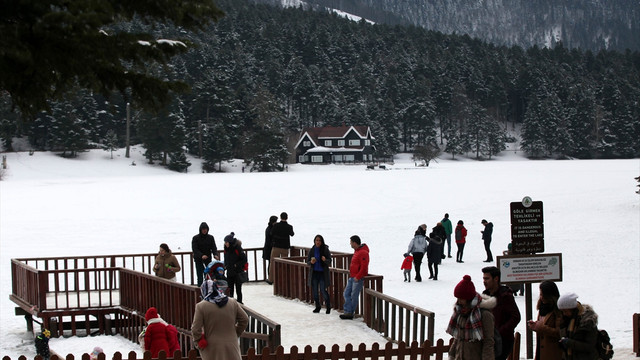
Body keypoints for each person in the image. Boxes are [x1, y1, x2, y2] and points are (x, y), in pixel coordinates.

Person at [192, 280, 249, 360]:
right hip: (232, 345)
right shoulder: (232, 302)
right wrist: (235, 333)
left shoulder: (201, 306)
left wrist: (199, 342)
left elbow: (195, 329)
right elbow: (244, 319)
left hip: (212, 347)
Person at [446, 275, 496, 360]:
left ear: (469, 299)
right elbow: (458, 337)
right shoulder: (460, 312)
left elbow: (488, 342)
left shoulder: (484, 315)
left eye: (461, 298)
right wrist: (452, 354)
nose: (459, 301)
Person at [482, 266, 521, 360]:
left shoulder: (505, 296)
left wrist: (500, 332)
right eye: (483, 278)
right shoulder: (485, 295)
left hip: (503, 341)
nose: (484, 281)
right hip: (488, 341)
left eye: (487, 278)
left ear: (496, 279)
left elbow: (516, 317)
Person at [557, 292, 599, 360]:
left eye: (565, 311)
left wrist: (568, 342)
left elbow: (589, 346)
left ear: (572, 308)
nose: (564, 314)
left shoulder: (587, 322)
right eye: (562, 311)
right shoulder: (566, 320)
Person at [528, 281, 562, 360]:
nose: (541, 297)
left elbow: (559, 332)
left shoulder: (558, 311)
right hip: (541, 351)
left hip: (552, 353)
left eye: (544, 295)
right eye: (540, 294)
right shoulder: (542, 308)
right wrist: (535, 326)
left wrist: (541, 327)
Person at [340, 235, 369, 320]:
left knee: (353, 296)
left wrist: (358, 276)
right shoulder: (357, 251)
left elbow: (364, 267)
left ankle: (349, 313)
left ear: (354, 243)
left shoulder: (363, 252)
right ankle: (348, 311)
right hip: (352, 277)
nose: (350, 244)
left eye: (351, 243)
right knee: (346, 293)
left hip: (357, 278)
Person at [306, 234, 332, 314]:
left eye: (319, 240)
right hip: (314, 273)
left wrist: (325, 260)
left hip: (322, 273)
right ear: (314, 241)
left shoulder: (325, 249)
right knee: (315, 291)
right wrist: (311, 262)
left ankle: (328, 306)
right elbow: (307, 262)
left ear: (322, 241)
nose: (318, 242)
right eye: (316, 240)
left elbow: (329, 261)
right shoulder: (312, 250)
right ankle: (317, 306)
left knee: (323, 290)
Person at [268, 212, 294, 284]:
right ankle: (284, 279)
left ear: (280, 217)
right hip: (285, 247)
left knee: (273, 262)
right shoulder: (289, 226)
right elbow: (292, 234)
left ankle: (271, 279)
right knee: (284, 263)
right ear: (287, 217)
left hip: (276, 246)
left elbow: (271, 233)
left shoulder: (276, 226)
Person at [192, 222, 219, 286]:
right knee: (200, 276)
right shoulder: (195, 238)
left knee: (209, 275)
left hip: (208, 259)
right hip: (198, 259)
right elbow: (195, 249)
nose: (204, 230)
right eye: (203, 229)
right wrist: (201, 255)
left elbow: (214, 247)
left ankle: (208, 288)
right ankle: (200, 289)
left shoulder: (210, 237)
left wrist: (215, 254)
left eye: (206, 229)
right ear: (200, 230)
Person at [223, 232, 247, 304]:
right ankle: (230, 303)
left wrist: (237, 265)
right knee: (230, 289)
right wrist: (226, 266)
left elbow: (244, 259)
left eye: (226, 242)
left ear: (230, 242)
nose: (225, 244)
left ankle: (240, 303)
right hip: (230, 272)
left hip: (237, 272)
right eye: (225, 242)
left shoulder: (238, 249)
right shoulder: (226, 250)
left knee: (238, 289)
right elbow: (226, 259)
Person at [262, 215, 278, 281]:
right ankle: (271, 278)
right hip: (269, 249)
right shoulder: (270, 229)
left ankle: (271, 277)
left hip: (268, 248)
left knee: (270, 263)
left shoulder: (269, 228)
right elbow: (269, 240)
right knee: (271, 263)